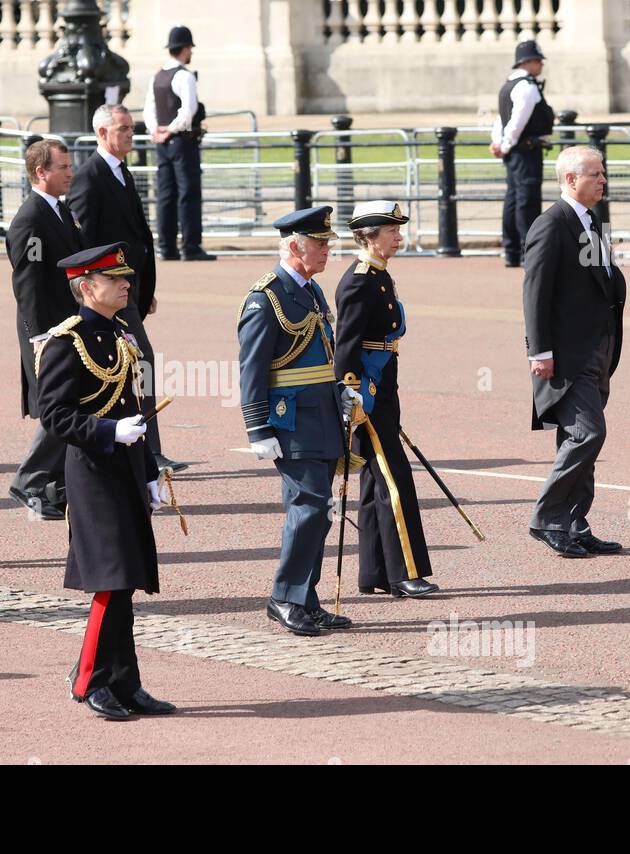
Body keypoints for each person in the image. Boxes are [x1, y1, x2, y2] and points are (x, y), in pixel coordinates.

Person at [37, 242, 175, 720]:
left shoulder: (122, 333)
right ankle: (89, 680)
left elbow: (136, 404)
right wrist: (106, 431)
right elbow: (53, 414)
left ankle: (125, 681)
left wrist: (152, 470)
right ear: (86, 287)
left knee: (127, 579)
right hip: (94, 472)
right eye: (114, 279)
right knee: (110, 580)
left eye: (125, 278)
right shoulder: (65, 341)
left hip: (127, 469)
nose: (125, 284)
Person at [236, 207, 360, 637]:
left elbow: (319, 352)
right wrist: (257, 428)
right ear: (294, 246)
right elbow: (251, 368)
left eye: (327, 242)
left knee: (320, 512)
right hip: (289, 421)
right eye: (320, 243)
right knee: (308, 509)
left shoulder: (311, 291)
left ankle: (306, 598)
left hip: (321, 414)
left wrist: (338, 391)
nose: (329, 250)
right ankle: (285, 597)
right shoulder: (265, 297)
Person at [68, 103, 186, 472]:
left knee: (133, 364)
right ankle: (148, 449)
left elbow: (137, 235)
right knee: (142, 361)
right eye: (124, 129)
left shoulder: (122, 171)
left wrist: (144, 288)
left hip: (129, 289)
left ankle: (141, 447)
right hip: (107, 292)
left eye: (132, 128)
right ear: (102, 133)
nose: (130, 135)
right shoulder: (89, 176)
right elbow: (85, 241)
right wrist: (96, 290)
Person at [523, 145, 626, 558]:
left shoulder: (591, 220)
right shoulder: (551, 224)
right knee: (588, 433)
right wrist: (540, 350)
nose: (603, 181)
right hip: (565, 354)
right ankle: (546, 518)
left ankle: (575, 522)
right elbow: (535, 294)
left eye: (603, 174)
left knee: (579, 436)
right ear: (570, 179)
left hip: (596, 349)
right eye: (595, 175)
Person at [334, 201, 438, 598]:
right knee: (394, 479)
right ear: (369, 236)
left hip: (383, 385)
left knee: (375, 480)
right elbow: (345, 346)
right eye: (391, 231)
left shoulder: (379, 275)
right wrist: (351, 393)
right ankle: (404, 572)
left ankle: (374, 571)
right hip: (368, 392)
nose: (398, 237)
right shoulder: (360, 280)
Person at [5, 139, 82, 520]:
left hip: (68, 326)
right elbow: (28, 284)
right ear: (41, 172)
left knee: (74, 401)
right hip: (47, 330)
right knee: (60, 407)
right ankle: (29, 480)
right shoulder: (30, 218)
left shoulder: (59, 211)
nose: (70, 173)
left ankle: (53, 487)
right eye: (63, 167)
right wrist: (39, 335)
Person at [144, 25, 213, 262]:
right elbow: (189, 110)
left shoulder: (158, 76)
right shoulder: (184, 76)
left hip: (163, 144)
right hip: (183, 142)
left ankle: (166, 246)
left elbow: (149, 110)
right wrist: (171, 129)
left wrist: (157, 131)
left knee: (166, 195)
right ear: (185, 49)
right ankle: (191, 246)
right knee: (188, 194)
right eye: (190, 48)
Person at [490, 40, 554, 268]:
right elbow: (517, 121)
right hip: (525, 151)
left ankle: (512, 250)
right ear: (527, 62)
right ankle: (529, 252)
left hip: (514, 150)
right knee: (527, 201)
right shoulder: (526, 86)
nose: (541, 64)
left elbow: (501, 119)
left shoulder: (508, 85)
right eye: (538, 60)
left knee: (513, 200)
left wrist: (498, 142)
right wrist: (505, 144)